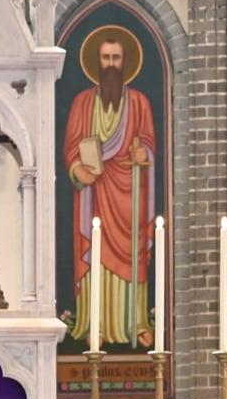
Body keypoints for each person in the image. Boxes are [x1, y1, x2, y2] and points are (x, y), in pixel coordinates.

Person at [63, 30, 158, 347]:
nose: (111, 64)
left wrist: (144, 154)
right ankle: (96, 324)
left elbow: (149, 144)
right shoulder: (82, 103)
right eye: (106, 58)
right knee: (96, 251)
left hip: (130, 194)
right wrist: (78, 169)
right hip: (94, 195)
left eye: (116, 58)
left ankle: (137, 322)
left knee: (133, 255)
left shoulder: (140, 103)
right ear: (97, 62)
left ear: (125, 62)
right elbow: (71, 149)